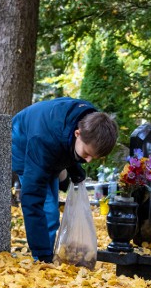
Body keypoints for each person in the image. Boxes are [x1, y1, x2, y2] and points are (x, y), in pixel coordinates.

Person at [12, 97, 118, 263]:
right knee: (47, 208)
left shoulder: (92, 123)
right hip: (23, 143)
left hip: (50, 142)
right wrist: (43, 255)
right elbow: (32, 199)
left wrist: (76, 170)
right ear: (78, 133)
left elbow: (67, 143)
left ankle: (45, 250)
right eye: (87, 154)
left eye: (94, 157)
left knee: (51, 209)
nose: (89, 161)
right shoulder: (43, 140)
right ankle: (41, 257)